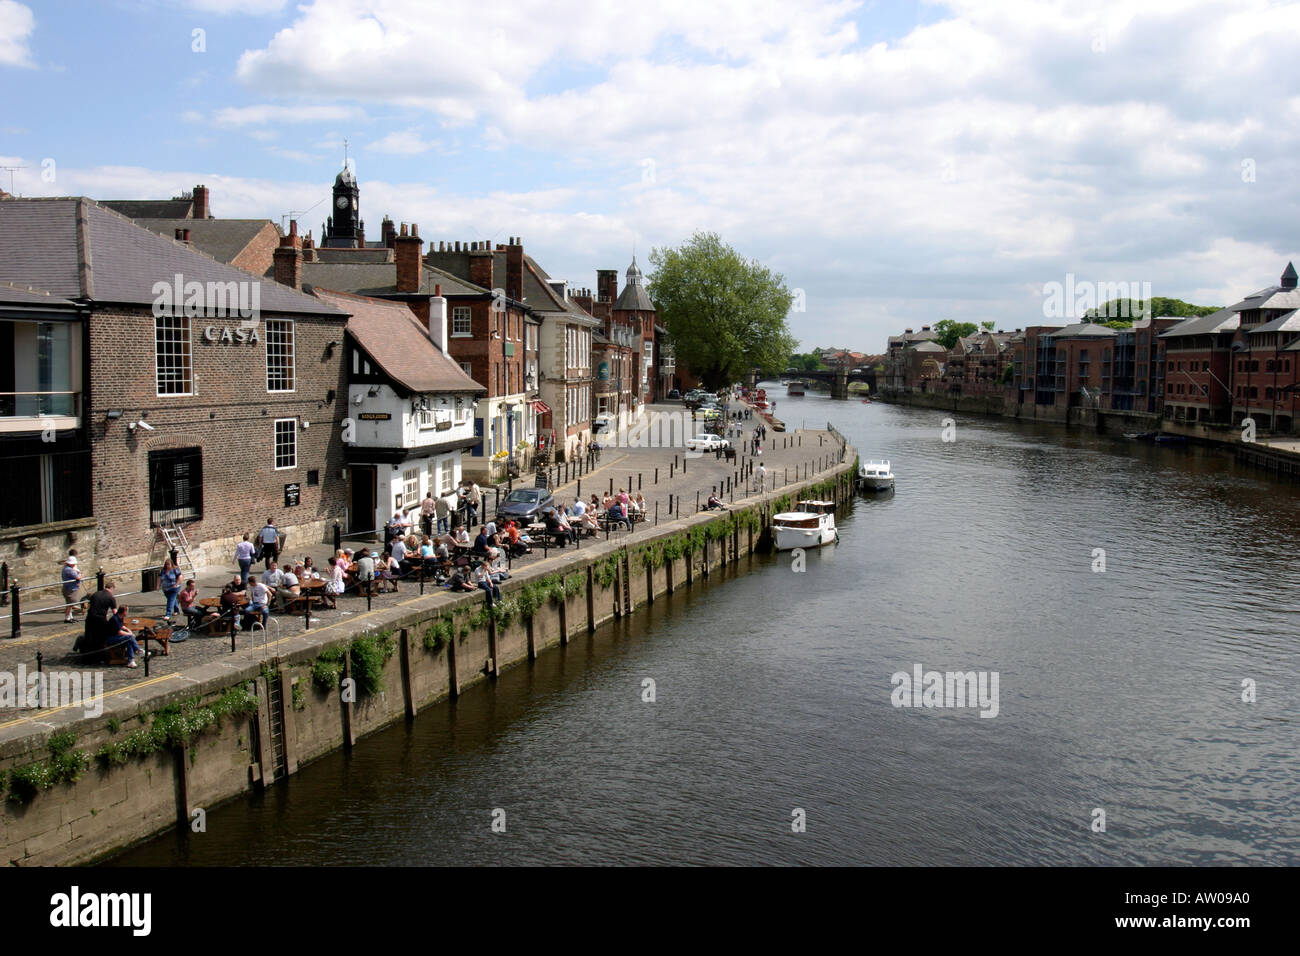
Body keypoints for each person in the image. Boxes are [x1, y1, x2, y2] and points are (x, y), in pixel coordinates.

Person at [75, 579, 118, 661]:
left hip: (90, 618)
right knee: (101, 637)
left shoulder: (96, 594)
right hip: (100, 619)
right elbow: (115, 612)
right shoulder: (110, 597)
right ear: (112, 588)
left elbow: (91, 606)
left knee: (89, 636)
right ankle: (99, 655)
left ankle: (87, 656)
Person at [61, 553, 82, 623]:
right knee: (71, 603)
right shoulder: (69, 570)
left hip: (68, 588)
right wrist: (79, 572)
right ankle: (67, 618)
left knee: (70, 603)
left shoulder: (66, 568)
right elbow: (78, 577)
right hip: (70, 589)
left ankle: (70, 617)